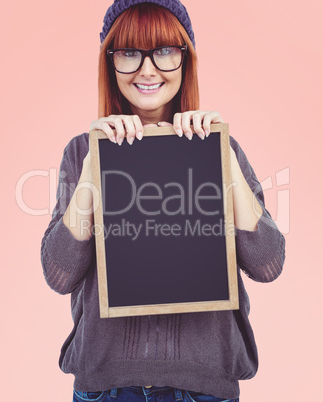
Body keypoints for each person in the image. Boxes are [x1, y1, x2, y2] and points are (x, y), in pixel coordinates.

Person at [40, 1, 286, 401]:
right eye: (130, 53)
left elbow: (267, 263)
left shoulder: (223, 148)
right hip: (107, 388)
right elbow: (59, 274)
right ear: (110, 62)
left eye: (166, 51)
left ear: (186, 61)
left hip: (204, 387)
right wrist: (93, 168)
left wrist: (219, 156)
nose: (148, 69)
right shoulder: (81, 151)